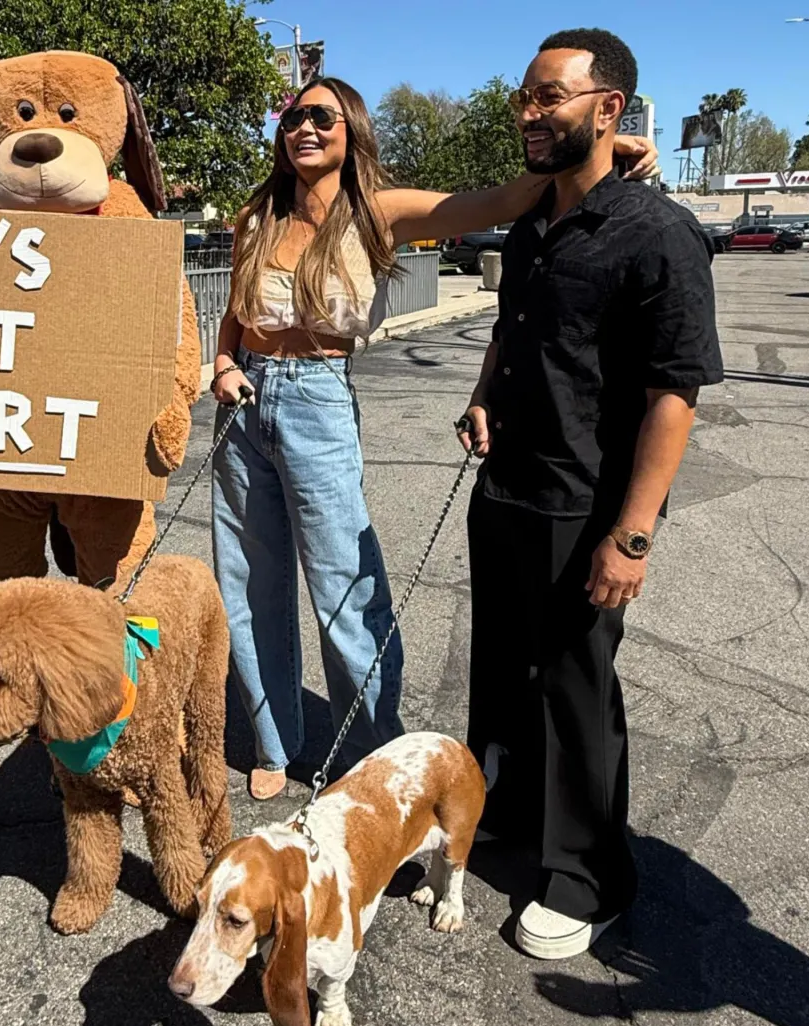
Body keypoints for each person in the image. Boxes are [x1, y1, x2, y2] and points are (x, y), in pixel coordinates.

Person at [211, 76, 660, 800]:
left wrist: (599, 149)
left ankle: (371, 754)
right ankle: (274, 740)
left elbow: (501, 201)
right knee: (248, 580)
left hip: (318, 401)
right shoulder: (258, 214)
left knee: (343, 586)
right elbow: (235, 312)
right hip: (244, 402)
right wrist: (224, 364)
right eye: (293, 116)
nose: (304, 128)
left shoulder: (378, 212)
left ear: (352, 129)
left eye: (322, 115)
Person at [456, 28, 724, 960]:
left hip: (584, 508)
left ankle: (589, 877)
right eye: (524, 98)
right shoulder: (533, 222)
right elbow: (512, 331)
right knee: (503, 676)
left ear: (608, 108)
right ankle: (508, 816)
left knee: (576, 692)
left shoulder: (658, 233)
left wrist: (633, 535)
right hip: (507, 492)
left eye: (549, 97)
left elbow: (673, 394)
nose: (529, 114)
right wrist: (483, 394)